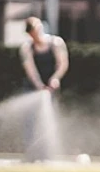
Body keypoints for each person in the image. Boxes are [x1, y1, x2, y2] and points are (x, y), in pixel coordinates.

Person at [19, 17, 69, 160]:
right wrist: (39, 86)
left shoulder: (56, 43)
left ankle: (48, 155)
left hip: (52, 87)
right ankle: (31, 156)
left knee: (49, 121)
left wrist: (55, 78)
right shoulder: (26, 48)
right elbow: (31, 70)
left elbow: (63, 63)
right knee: (31, 122)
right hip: (33, 88)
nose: (36, 35)